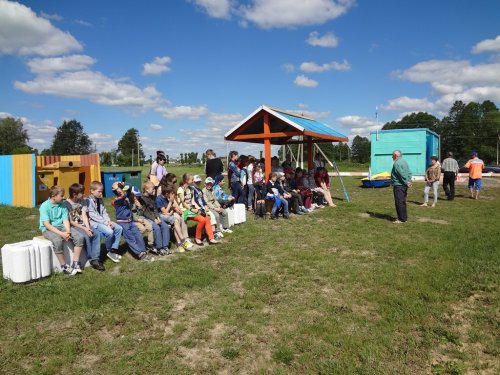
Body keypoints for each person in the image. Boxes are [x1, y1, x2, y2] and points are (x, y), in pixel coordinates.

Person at [39, 185, 85, 275]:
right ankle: (64, 266)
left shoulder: (63, 205)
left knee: (79, 237)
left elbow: (65, 220)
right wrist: (61, 234)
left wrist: (67, 231)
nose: (63, 197)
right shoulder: (44, 206)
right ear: (53, 196)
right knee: (57, 240)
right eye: (61, 195)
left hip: (62, 226)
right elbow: (47, 225)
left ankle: (75, 263)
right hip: (48, 229)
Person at [64, 183, 104, 272]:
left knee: (96, 233)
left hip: (83, 225)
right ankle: (92, 259)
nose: (84, 194)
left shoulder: (82, 201)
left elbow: (84, 215)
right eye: (81, 193)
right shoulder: (66, 204)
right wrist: (85, 229)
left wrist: (88, 227)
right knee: (86, 236)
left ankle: (95, 258)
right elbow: (71, 221)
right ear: (74, 194)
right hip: (74, 226)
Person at [111, 182, 154, 261]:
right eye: (118, 189)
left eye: (121, 188)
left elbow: (130, 187)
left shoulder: (126, 197)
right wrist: (120, 186)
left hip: (130, 222)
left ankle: (143, 251)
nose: (120, 190)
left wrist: (123, 183)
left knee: (139, 236)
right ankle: (140, 254)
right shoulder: (117, 200)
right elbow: (126, 192)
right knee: (130, 239)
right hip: (123, 223)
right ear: (115, 191)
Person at [177, 173, 218, 245]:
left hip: (191, 208)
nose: (193, 181)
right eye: (192, 179)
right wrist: (192, 209)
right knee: (202, 220)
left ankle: (211, 238)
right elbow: (183, 203)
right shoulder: (181, 189)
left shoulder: (191, 189)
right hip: (184, 210)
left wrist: (199, 209)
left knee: (207, 217)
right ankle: (198, 238)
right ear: (186, 180)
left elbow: (193, 201)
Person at [87, 181, 123, 263]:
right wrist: (106, 223)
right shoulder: (88, 201)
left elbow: (104, 212)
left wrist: (109, 221)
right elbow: (93, 216)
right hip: (95, 223)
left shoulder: (100, 200)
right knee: (110, 232)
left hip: (103, 221)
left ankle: (113, 250)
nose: (100, 193)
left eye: (101, 191)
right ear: (92, 191)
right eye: (99, 191)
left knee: (119, 228)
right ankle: (108, 250)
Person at [156, 185, 193, 252]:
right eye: (171, 194)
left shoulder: (167, 197)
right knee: (176, 220)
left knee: (178, 220)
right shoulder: (159, 199)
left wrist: (177, 209)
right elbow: (165, 212)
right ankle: (182, 240)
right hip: (161, 216)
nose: (172, 195)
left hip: (169, 215)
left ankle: (180, 244)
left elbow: (173, 208)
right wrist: (170, 202)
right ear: (167, 194)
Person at [140, 181, 171, 255]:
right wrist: (154, 220)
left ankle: (165, 246)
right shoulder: (142, 198)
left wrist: (158, 218)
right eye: (152, 189)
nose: (154, 190)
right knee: (156, 228)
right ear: (146, 190)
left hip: (155, 216)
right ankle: (159, 247)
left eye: (154, 189)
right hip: (147, 218)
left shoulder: (153, 197)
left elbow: (155, 209)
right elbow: (145, 213)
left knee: (165, 226)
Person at [390, 150, 412, 223]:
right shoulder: (404, 161)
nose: (392, 156)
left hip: (399, 185)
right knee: (402, 202)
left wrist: (406, 182)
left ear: (396, 155)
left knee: (399, 202)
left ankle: (401, 219)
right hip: (404, 185)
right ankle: (404, 218)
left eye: (392, 155)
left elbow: (401, 174)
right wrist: (409, 181)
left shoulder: (397, 163)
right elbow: (409, 172)